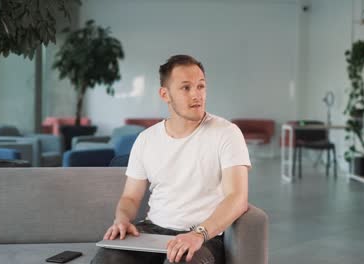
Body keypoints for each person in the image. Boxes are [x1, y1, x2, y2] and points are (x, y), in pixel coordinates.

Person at [91, 54, 251, 264]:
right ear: (165, 94)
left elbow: (237, 198)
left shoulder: (227, 133)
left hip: (203, 235)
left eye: (201, 86)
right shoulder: (146, 139)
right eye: (186, 88)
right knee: (107, 260)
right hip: (152, 231)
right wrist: (121, 219)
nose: (197, 95)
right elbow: (130, 197)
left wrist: (198, 234)